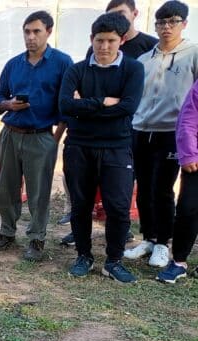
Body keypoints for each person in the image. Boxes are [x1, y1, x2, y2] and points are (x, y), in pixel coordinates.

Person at [60, 12, 145, 282]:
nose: (104, 47)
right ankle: (83, 256)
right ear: (91, 39)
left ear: (121, 40)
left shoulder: (133, 69)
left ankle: (114, 260)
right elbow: (65, 106)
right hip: (79, 146)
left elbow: (129, 107)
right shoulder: (76, 70)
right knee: (81, 205)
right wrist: (104, 101)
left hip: (117, 147)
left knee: (118, 207)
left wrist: (84, 105)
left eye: (110, 40)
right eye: (99, 40)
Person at [0, 11, 73, 262]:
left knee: (39, 191)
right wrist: (8, 104)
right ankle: (6, 232)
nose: (31, 37)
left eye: (36, 31)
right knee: (7, 187)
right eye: (27, 31)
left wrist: (54, 139)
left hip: (41, 136)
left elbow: (67, 104)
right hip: (11, 133)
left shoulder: (62, 63)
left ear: (48, 32)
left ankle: (37, 238)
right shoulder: (14, 64)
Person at [124, 1, 198, 267]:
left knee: (163, 188)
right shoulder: (146, 58)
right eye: (161, 23)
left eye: (173, 22)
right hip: (142, 129)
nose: (166, 28)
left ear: (184, 24)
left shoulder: (193, 54)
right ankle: (149, 237)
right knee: (143, 188)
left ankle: (163, 244)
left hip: (173, 133)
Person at [157, 76, 198, 282]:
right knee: (187, 209)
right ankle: (179, 261)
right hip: (196, 161)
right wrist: (189, 153)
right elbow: (188, 119)